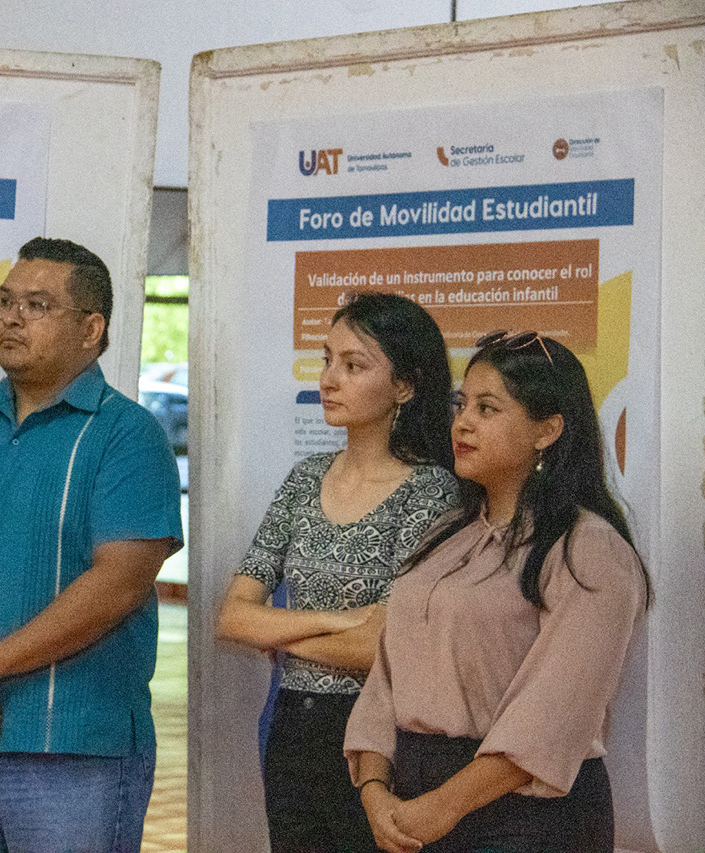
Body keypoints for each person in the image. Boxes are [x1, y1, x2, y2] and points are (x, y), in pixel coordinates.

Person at [0, 237, 183, 852]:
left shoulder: (127, 435)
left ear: (91, 329)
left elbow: (120, 582)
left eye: (37, 305)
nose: (12, 318)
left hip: (73, 752)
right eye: (5, 302)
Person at [344, 331, 651, 853]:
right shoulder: (446, 534)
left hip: (526, 816)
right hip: (412, 799)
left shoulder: (588, 549)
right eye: (461, 405)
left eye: (487, 408)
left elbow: (552, 714)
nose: (462, 423)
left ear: (547, 430)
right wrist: (374, 789)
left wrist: (443, 806)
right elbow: (387, 679)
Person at [216, 292, 459, 853]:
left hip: (382, 739)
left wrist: (280, 635)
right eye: (327, 360)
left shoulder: (429, 490)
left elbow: (387, 647)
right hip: (292, 728)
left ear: (405, 386)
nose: (329, 379)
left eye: (353, 365)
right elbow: (231, 617)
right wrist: (340, 619)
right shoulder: (305, 478)